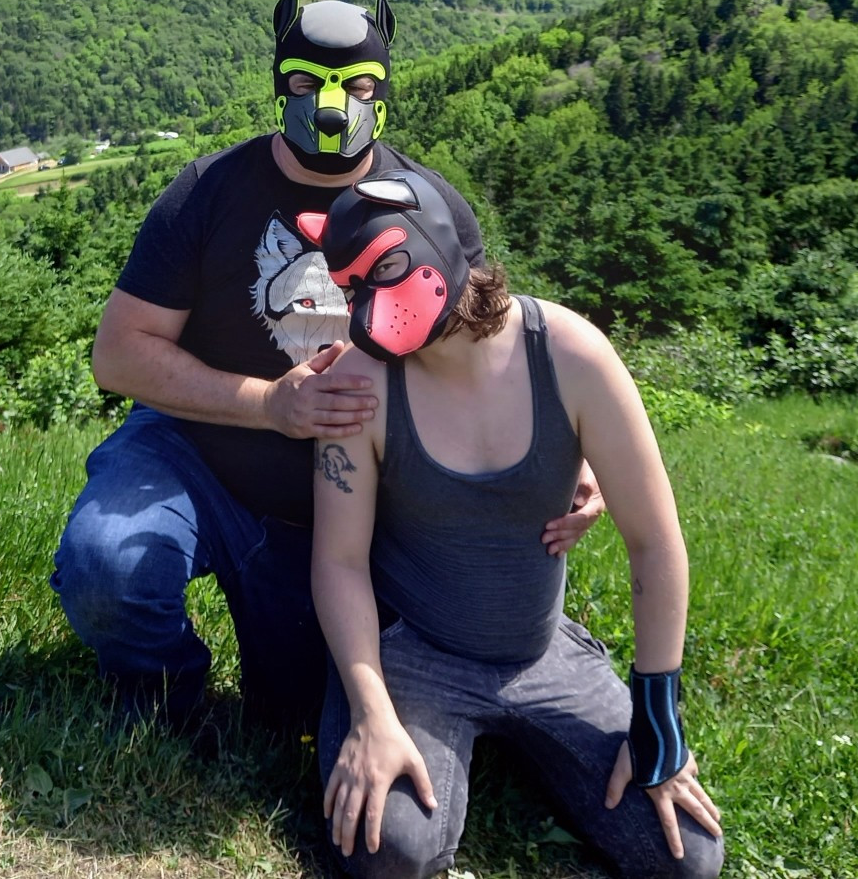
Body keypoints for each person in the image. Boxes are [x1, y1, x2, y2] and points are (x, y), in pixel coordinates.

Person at [52, 0, 604, 738]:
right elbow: (117, 355)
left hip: (354, 504)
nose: (332, 104)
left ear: (384, 91)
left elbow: (494, 348)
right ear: (278, 83)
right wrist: (269, 405)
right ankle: (165, 700)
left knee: (300, 715)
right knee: (108, 566)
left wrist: (571, 450)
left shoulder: (429, 204)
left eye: (358, 85)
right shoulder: (207, 192)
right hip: (201, 456)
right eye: (306, 82)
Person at [310, 170, 723, 879]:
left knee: (687, 854)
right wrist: (371, 711)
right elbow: (339, 560)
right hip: (416, 651)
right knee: (388, 848)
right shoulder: (359, 383)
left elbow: (655, 542)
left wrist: (658, 719)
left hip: (541, 652)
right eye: (351, 288)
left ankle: (540, 753)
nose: (363, 312)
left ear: (442, 245)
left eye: (381, 272)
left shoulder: (570, 354)